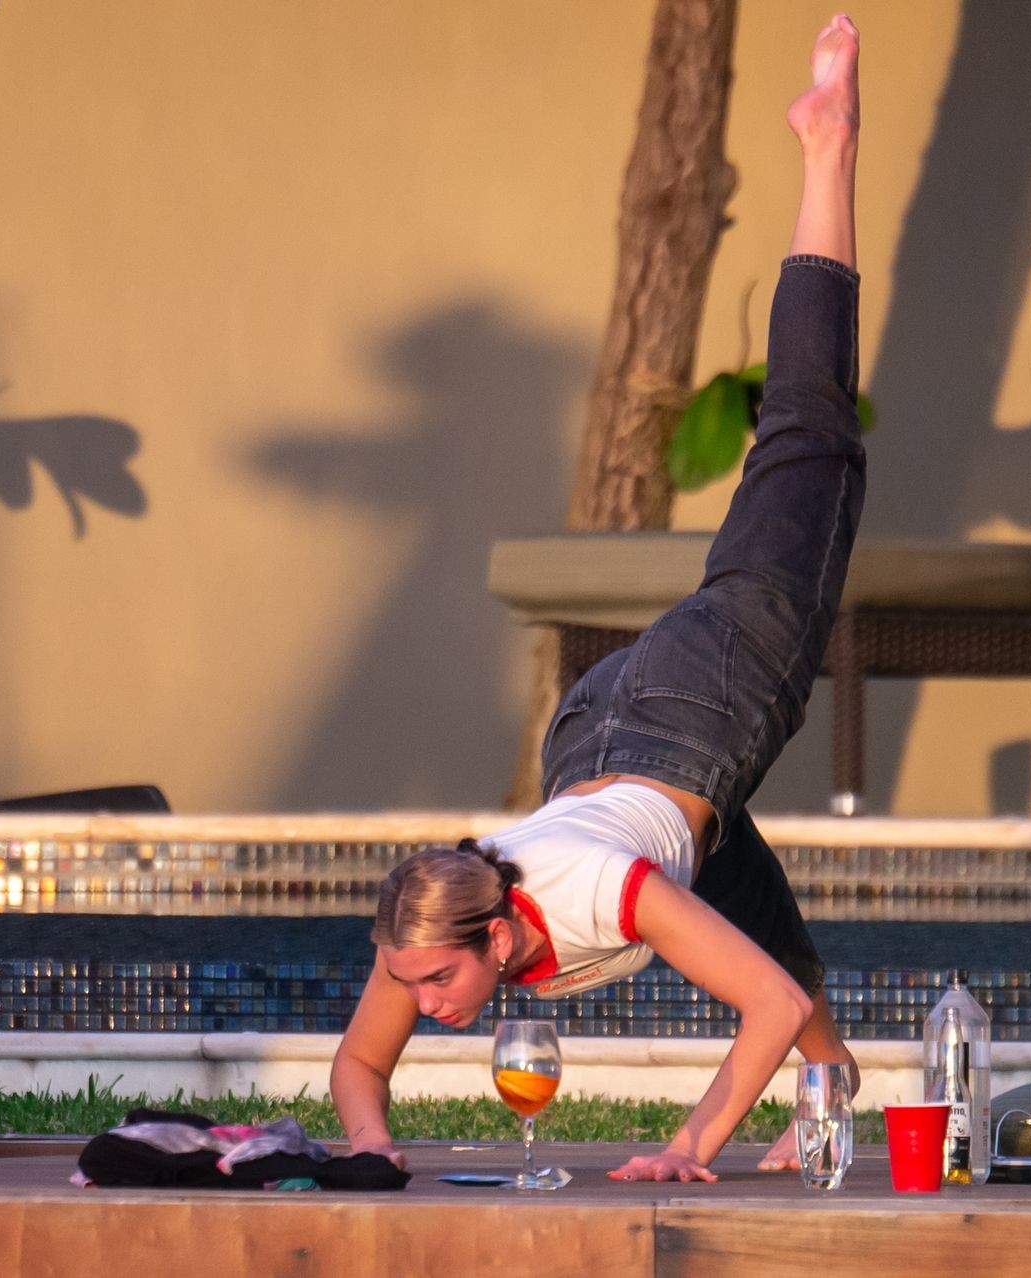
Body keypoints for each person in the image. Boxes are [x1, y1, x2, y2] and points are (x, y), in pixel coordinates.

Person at [331, 14, 864, 1185]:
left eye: (436, 982)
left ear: (499, 935)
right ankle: (837, 1084)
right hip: (595, 739)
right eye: (414, 982)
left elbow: (766, 1004)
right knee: (718, 857)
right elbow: (359, 1067)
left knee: (809, 438)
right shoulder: (431, 914)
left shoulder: (588, 893)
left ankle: (828, 148)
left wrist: (686, 1149)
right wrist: (369, 1147)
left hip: (696, 706)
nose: (423, 1002)